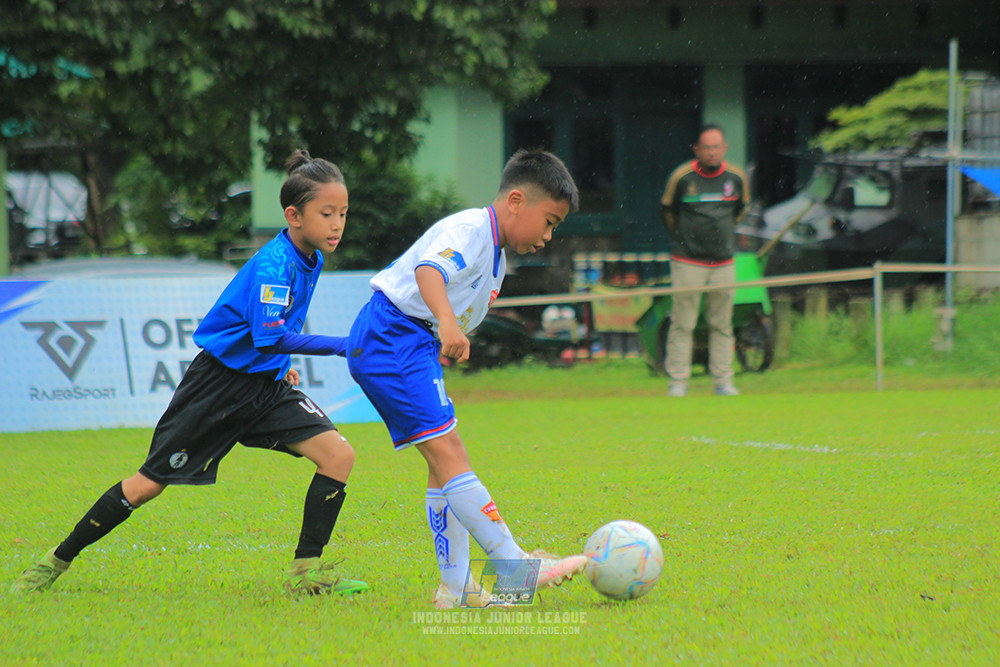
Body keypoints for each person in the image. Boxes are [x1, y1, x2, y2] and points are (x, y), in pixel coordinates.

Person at [11, 150, 367, 597]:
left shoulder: (308, 256)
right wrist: (343, 346)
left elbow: (275, 332)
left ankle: (305, 575)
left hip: (265, 386)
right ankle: (52, 564)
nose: (337, 223)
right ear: (294, 216)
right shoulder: (275, 263)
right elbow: (268, 336)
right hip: (217, 387)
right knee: (146, 487)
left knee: (338, 456)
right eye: (327, 213)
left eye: (343, 213)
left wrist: (283, 365)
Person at [346, 149, 587, 609]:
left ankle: (455, 588)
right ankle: (515, 565)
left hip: (404, 342)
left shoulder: (494, 250)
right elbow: (429, 270)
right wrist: (447, 324)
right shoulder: (472, 231)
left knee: (444, 462)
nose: (549, 236)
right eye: (550, 221)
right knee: (450, 453)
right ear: (517, 201)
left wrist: (446, 329)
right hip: (393, 336)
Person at [660, 124, 750, 397]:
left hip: (723, 262)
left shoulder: (736, 177)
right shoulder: (682, 176)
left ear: (725, 148)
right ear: (697, 150)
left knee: (722, 324)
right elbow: (668, 211)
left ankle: (723, 381)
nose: (711, 152)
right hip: (688, 262)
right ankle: (678, 382)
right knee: (682, 323)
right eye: (706, 147)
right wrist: (687, 239)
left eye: (716, 147)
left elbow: (741, 210)